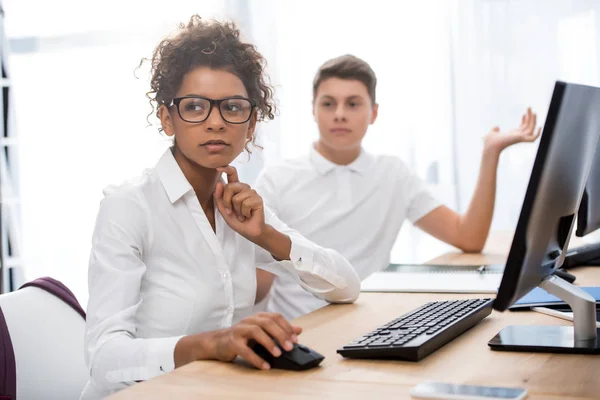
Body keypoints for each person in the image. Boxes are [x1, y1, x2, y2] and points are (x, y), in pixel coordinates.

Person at [81, 18, 360, 399]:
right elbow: (104, 359)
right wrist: (211, 344)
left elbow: (346, 287)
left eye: (232, 107)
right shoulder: (128, 207)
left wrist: (266, 236)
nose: (215, 122)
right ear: (167, 119)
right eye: (195, 107)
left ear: (251, 124)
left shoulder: (238, 205)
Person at [254, 54, 540, 320]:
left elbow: (469, 238)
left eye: (353, 104)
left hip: (370, 321)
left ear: (374, 113)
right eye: (328, 104)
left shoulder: (392, 173)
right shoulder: (277, 179)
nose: (339, 114)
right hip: (301, 328)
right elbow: (257, 287)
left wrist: (491, 154)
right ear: (314, 111)